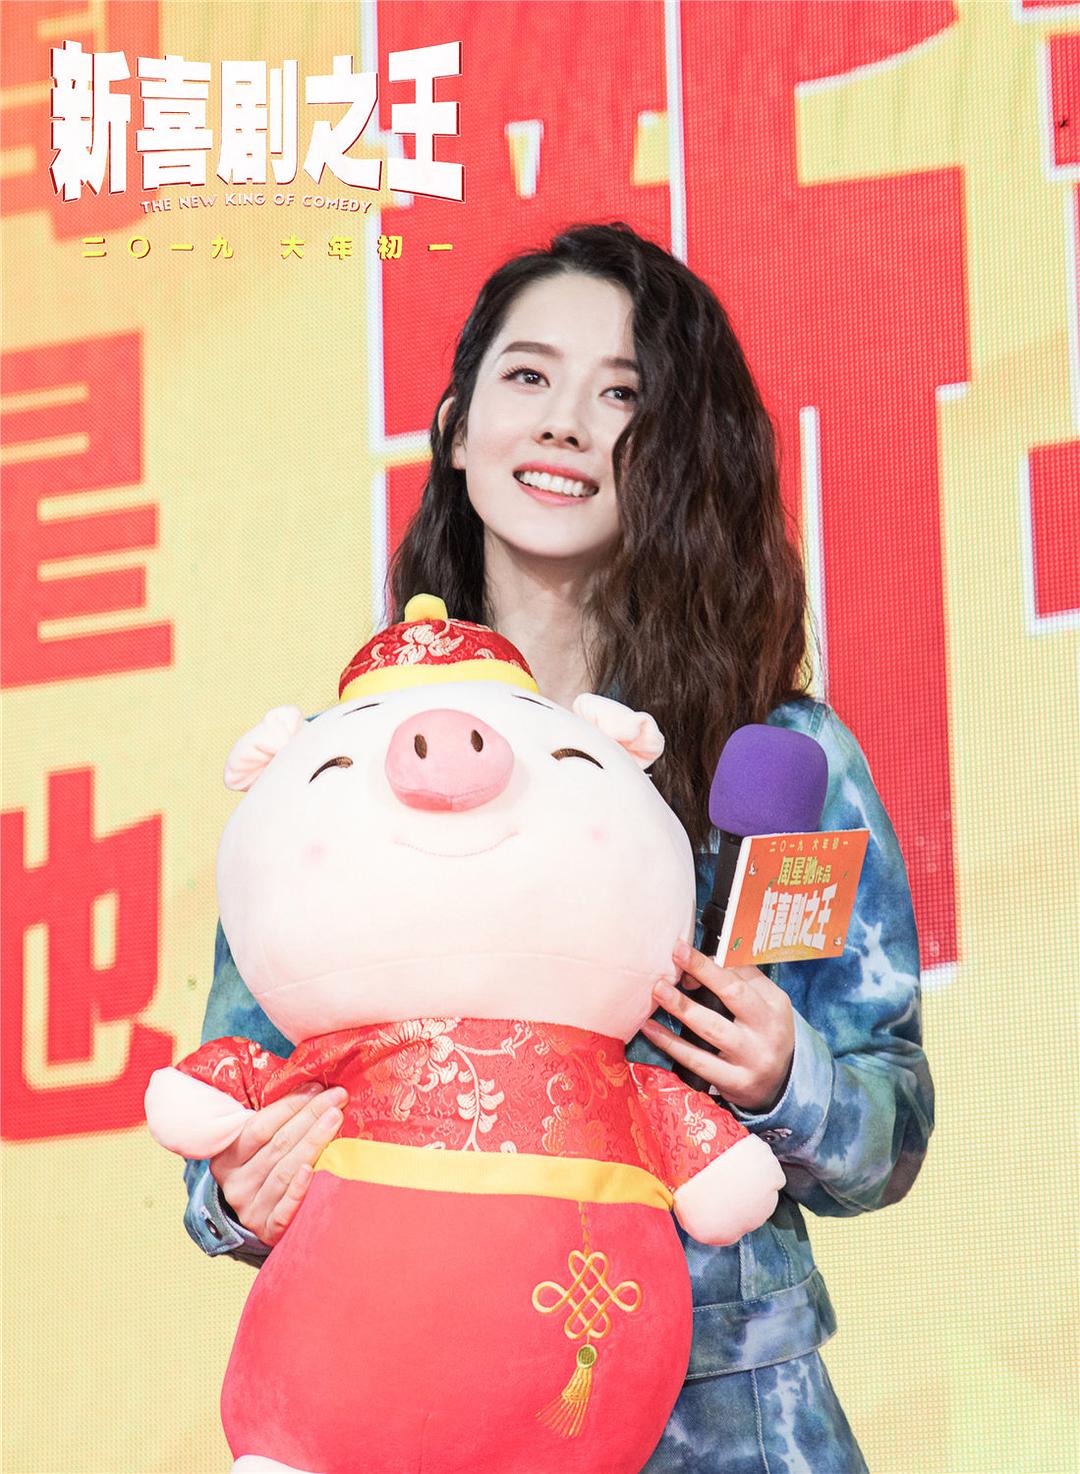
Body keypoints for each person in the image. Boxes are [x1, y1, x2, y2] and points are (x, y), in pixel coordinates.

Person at [183, 222, 934, 1473]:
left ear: (680, 446)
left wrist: (785, 1075)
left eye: (622, 394)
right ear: (457, 426)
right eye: (528, 376)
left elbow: (887, 1131)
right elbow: (242, 1088)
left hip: (725, 1410)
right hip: (430, 1407)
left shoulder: (778, 753)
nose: (567, 424)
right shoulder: (344, 766)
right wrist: (236, 1195)